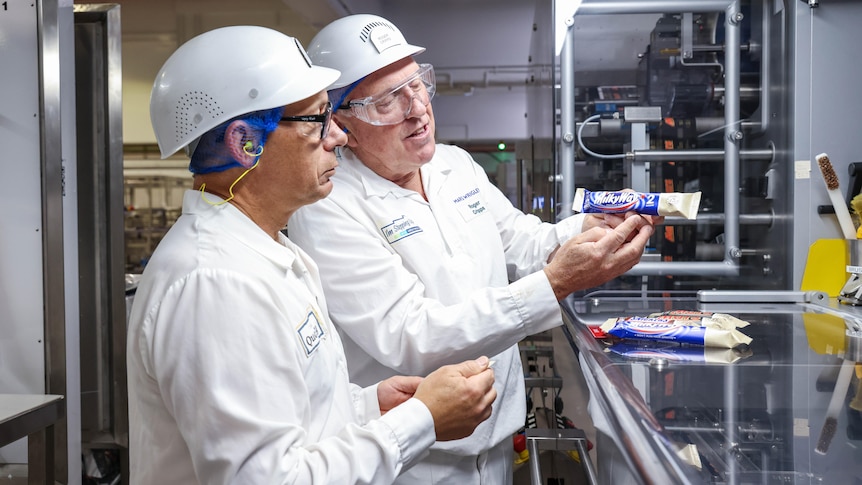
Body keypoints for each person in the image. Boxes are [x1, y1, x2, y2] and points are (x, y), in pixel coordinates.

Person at [287, 14, 659, 485]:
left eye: (419, 84)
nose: (416, 107)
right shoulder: (327, 205)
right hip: (415, 460)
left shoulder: (455, 165)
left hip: (498, 435)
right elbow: (411, 334)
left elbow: (523, 241)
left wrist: (587, 227)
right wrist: (557, 283)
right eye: (388, 100)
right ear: (342, 123)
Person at [126, 25, 498, 485]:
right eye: (316, 119)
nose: (338, 137)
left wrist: (367, 405)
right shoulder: (217, 282)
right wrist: (421, 420)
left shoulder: (262, 251)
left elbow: (290, 419)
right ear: (245, 143)